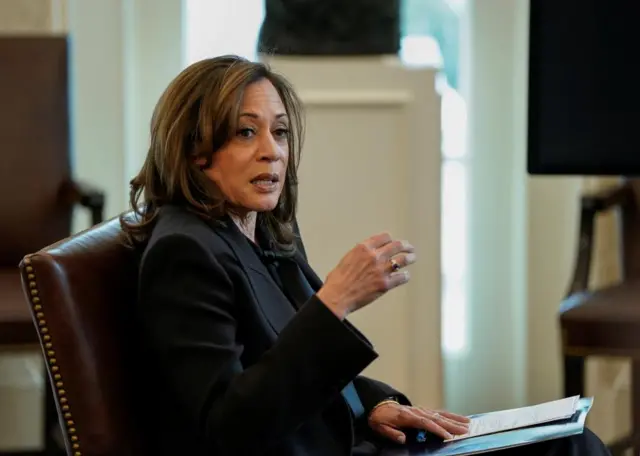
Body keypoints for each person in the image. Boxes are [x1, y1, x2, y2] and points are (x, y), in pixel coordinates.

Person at [121, 55, 611, 456]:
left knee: (569, 438)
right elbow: (230, 426)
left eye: (281, 132)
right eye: (246, 133)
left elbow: (284, 367)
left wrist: (370, 404)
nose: (273, 152)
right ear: (193, 150)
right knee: (570, 450)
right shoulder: (184, 254)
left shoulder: (259, 227)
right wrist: (334, 301)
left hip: (353, 438)